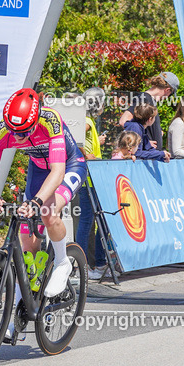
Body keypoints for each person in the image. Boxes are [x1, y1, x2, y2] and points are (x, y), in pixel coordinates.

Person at [0, 88, 86, 306]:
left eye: (24, 132)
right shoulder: (0, 133)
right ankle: (21, 307)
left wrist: (36, 201)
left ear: (35, 121)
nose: (17, 137)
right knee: (26, 243)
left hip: (68, 166)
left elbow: (57, 172)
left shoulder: (50, 120)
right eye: (13, 131)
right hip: (38, 172)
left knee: (48, 212)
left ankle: (63, 261)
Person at [77, 87, 107, 280]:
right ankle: (82, 265)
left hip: (91, 178)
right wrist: (87, 155)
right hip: (88, 179)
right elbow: (73, 138)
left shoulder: (88, 122)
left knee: (90, 222)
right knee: (87, 222)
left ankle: (84, 264)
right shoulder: (87, 121)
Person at [118, 72, 179, 151]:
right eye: (171, 94)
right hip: (144, 157)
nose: (167, 97)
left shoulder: (150, 100)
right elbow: (123, 121)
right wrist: (143, 142)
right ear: (167, 90)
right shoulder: (143, 99)